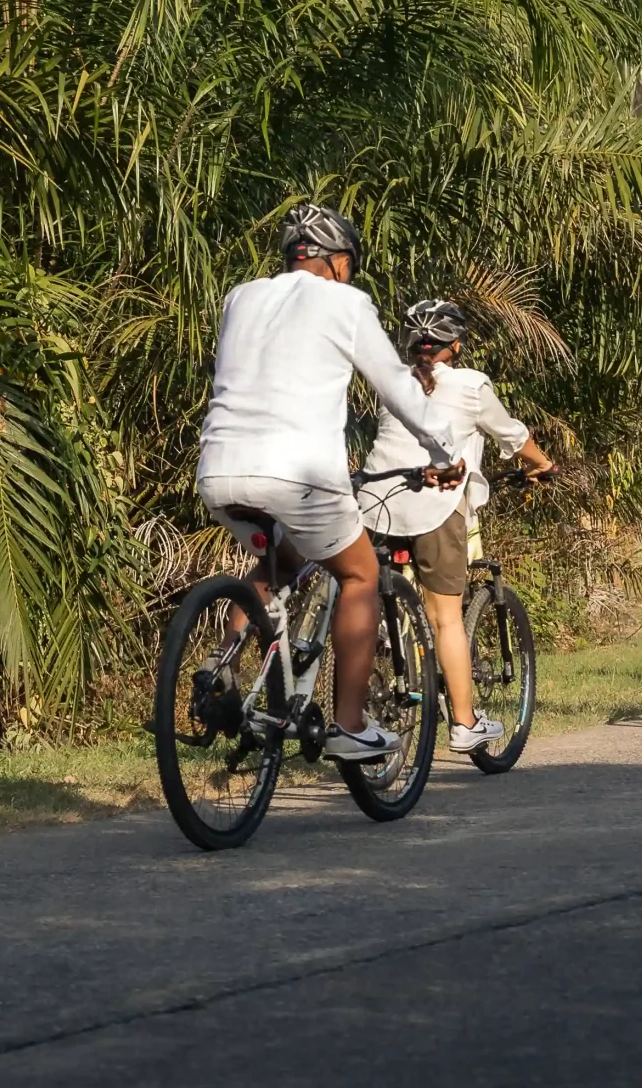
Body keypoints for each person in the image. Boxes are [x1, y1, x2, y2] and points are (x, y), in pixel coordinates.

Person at [196, 204, 466, 761]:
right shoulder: (346, 301)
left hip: (218, 468)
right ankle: (348, 723)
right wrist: (445, 450)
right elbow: (395, 383)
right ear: (339, 262)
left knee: (283, 563)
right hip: (298, 471)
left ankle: (216, 668)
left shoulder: (240, 297)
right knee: (361, 574)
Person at [357, 298, 559, 755]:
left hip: (377, 504)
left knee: (366, 601)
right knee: (445, 617)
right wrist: (543, 464)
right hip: (436, 503)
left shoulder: (391, 383)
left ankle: (371, 690)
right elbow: (513, 436)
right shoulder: (472, 385)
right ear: (458, 345)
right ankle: (465, 724)